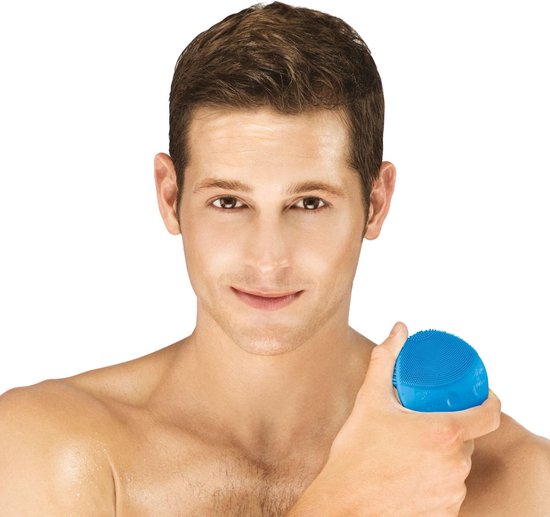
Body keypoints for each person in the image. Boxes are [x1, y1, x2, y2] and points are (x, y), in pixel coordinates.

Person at [1, 2, 548, 515]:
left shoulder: (519, 483)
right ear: (169, 197)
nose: (268, 260)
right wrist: (344, 503)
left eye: (309, 203)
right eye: (229, 202)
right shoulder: (53, 450)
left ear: (376, 204)